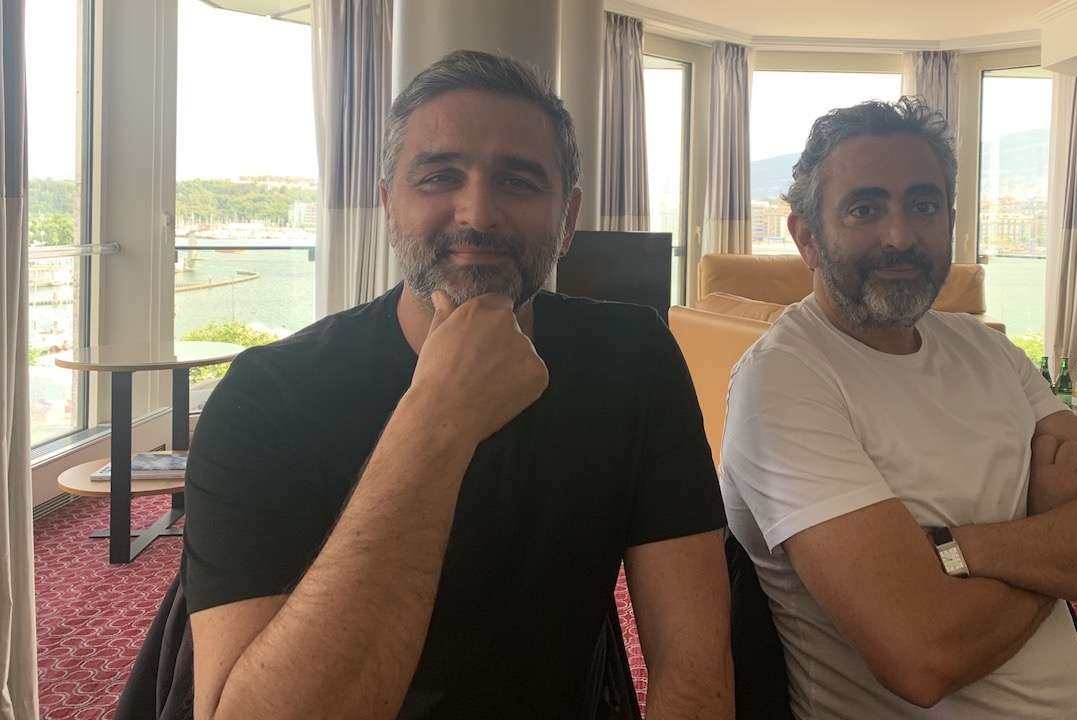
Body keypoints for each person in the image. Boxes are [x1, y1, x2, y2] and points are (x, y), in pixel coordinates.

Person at [183, 50, 734, 720]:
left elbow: (695, 669)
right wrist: (438, 417)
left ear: (567, 220)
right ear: (389, 206)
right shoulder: (267, 396)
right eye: (440, 176)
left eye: (519, 181)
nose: (477, 214)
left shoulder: (632, 357)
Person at [719, 97, 1077, 719]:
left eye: (924, 205)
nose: (900, 236)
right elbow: (923, 655)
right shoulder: (784, 382)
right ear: (807, 238)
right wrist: (1052, 524)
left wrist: (953, 550)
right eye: (865, 208)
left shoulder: (989, 351)